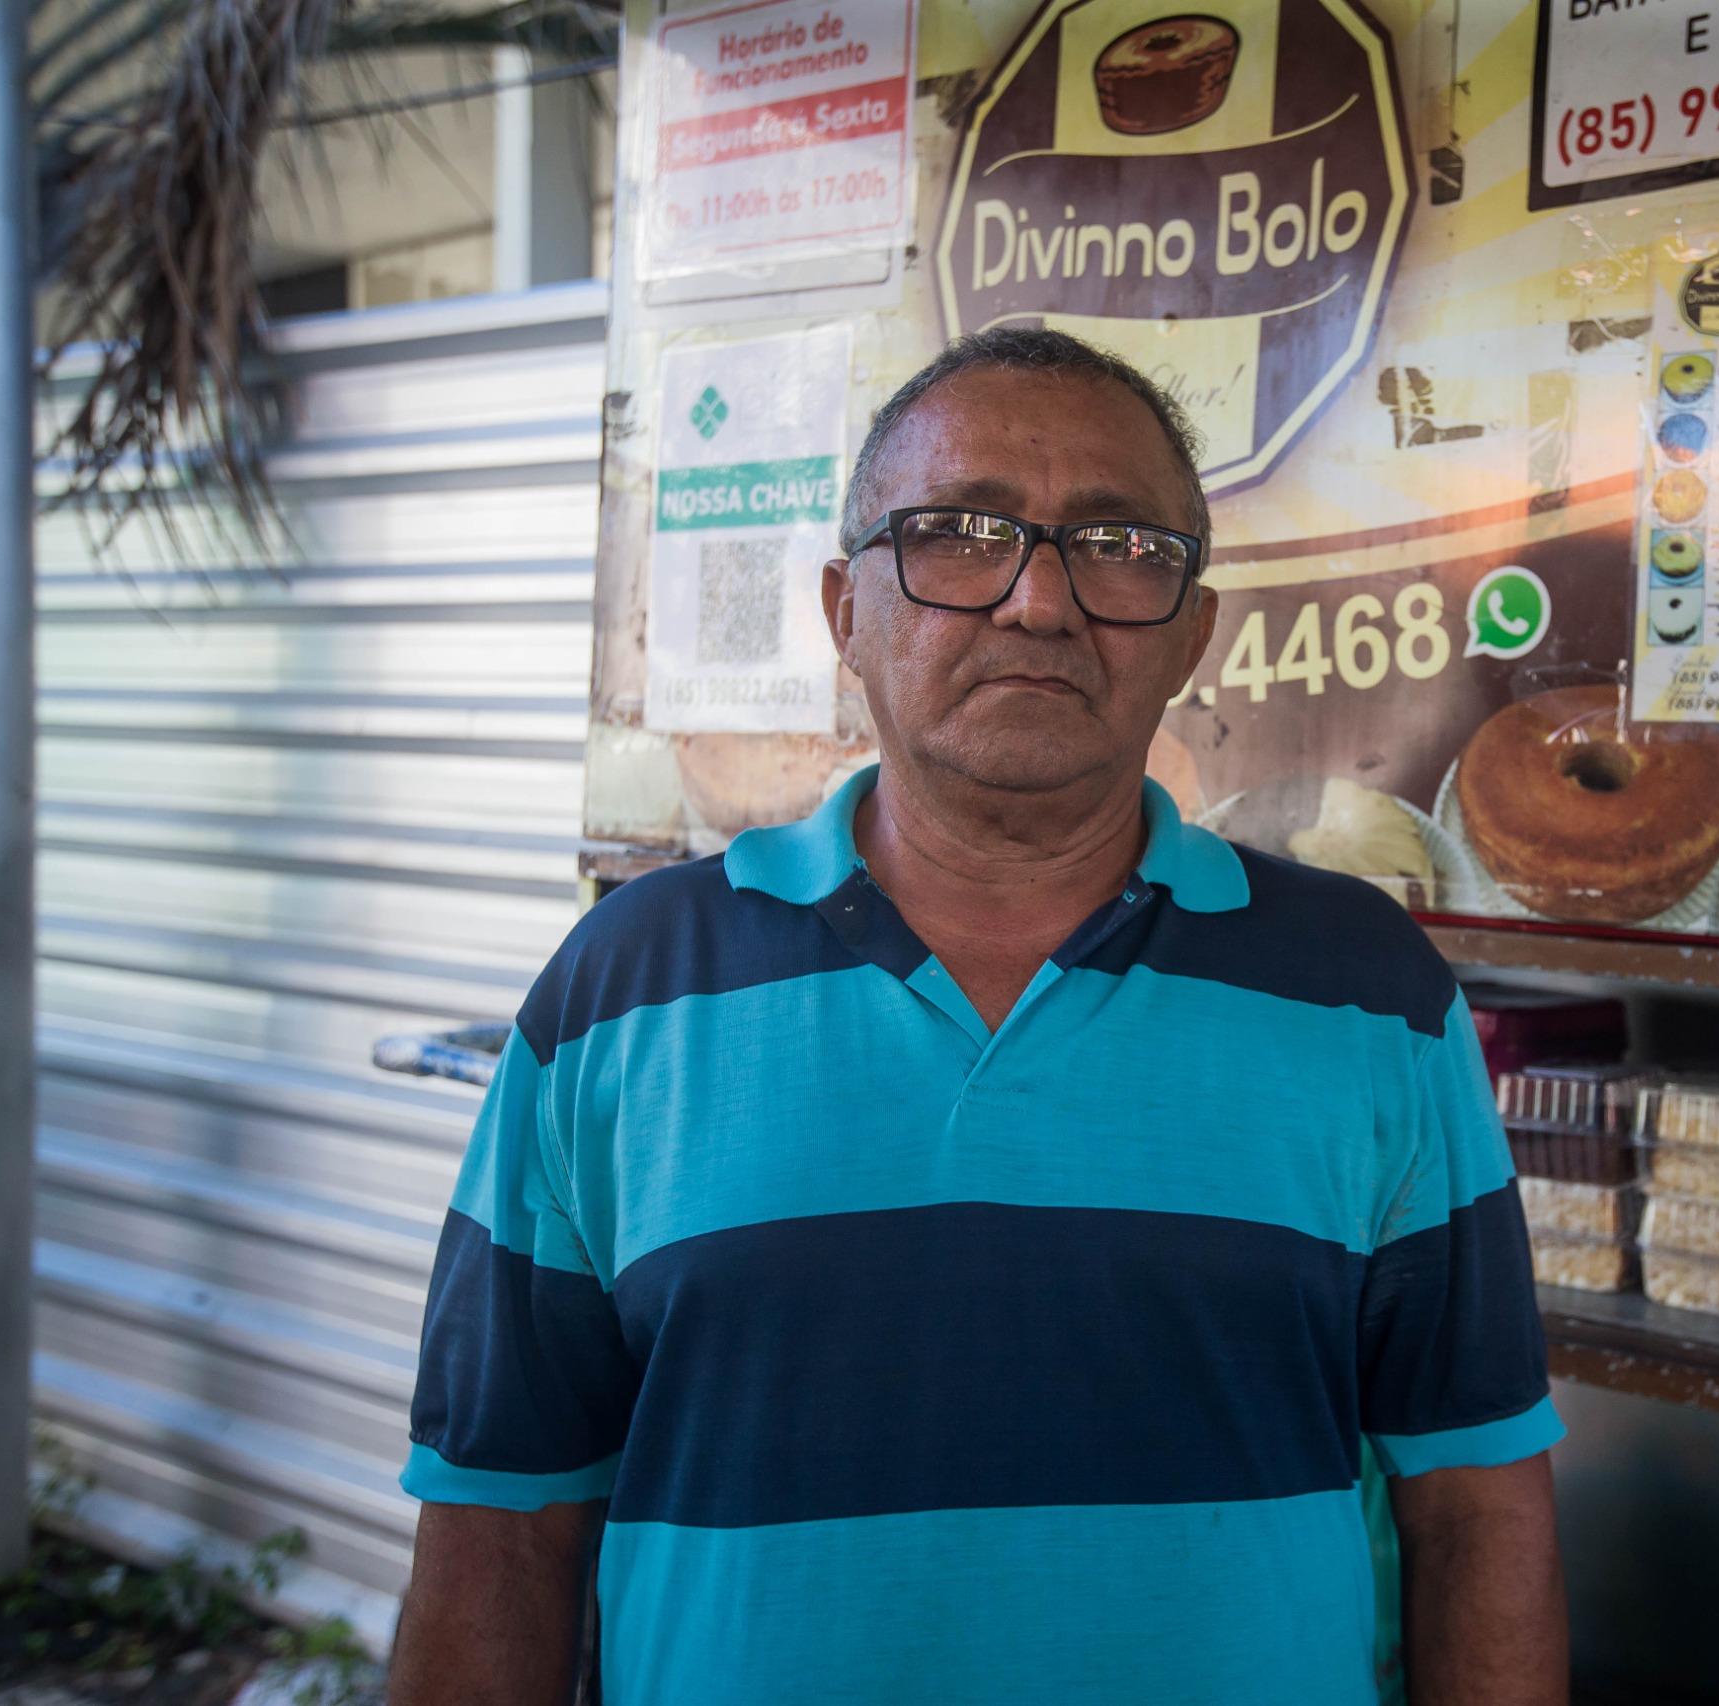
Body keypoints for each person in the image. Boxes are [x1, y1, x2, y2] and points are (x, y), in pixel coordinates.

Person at [388, 328, 1569, 1704]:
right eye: (961, 534)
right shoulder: (619, 994)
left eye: (1118, 546)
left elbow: (1479, 1506)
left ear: (1194, 631)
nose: (1037, 603)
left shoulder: (1371, 996)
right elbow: (497, 1526)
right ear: (845, 609)